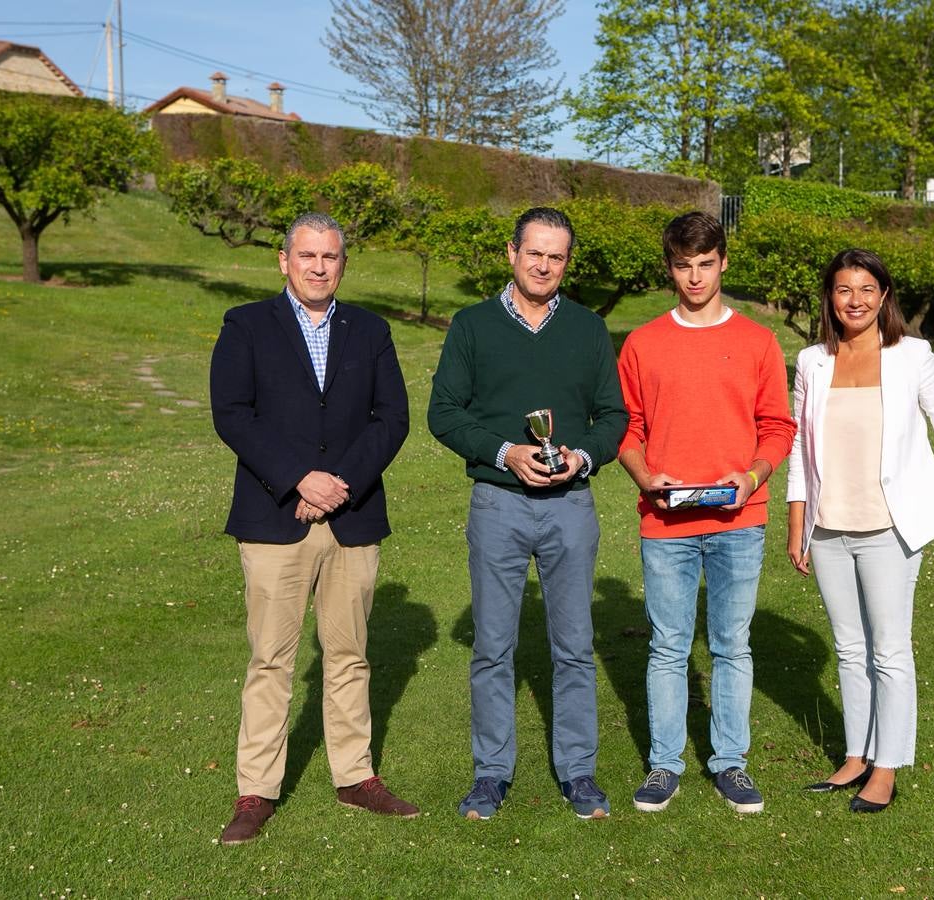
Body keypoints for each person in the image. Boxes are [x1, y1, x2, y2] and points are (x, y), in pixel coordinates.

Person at [210, 212, 416, 845]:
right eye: (307, 256)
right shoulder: (246, 326)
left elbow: (393, 419)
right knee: (271, 659)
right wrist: (301, 477)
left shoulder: (371, 330)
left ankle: (355, 776)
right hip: (275, 519)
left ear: (343, 264)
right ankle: (257, 790)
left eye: (330, 257)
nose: (319, 267)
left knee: (349, 654)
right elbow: (233, 415)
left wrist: (336, 484)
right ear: (283, 260)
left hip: (352, 518)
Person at [428, 207, 628, 820]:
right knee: (493, 647)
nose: (544, 265)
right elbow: (444, 411)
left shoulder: (590, 328)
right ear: (512, 253)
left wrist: (582, 458)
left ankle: (579, 772)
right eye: (534, 252)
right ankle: (491, 774)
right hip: (498, 504)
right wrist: (504, 451)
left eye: (557, 256)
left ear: (568, 262)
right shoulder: (472, 325)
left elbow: (613, 418)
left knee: (573, 645)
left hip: (569, 505)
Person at [616, 211, 796, 814]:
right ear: (670, 268)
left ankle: (730, 763)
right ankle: (664, 764)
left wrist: (750, 477)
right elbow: (627, 429)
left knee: (731, 645)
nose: (695, 276)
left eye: (705, 264)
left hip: (739, 521)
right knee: (667, 646)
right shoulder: (642, 343)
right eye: (683, 265)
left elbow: (777, 427)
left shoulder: (758, 342)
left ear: (723, 262)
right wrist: (646, 477)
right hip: (664, 522)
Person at [785, 247, 934, 813]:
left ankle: (887, 766)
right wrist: (798, 523)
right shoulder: (812, 361)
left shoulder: (914, 356)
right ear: (831, 297)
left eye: (867, 289)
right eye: (844, 289)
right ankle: (856, 755)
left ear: (884, 295)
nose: (855, 300)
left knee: (889, 651)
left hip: (892, 530)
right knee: (849, 648)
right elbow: (798, 445)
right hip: (829, 527)